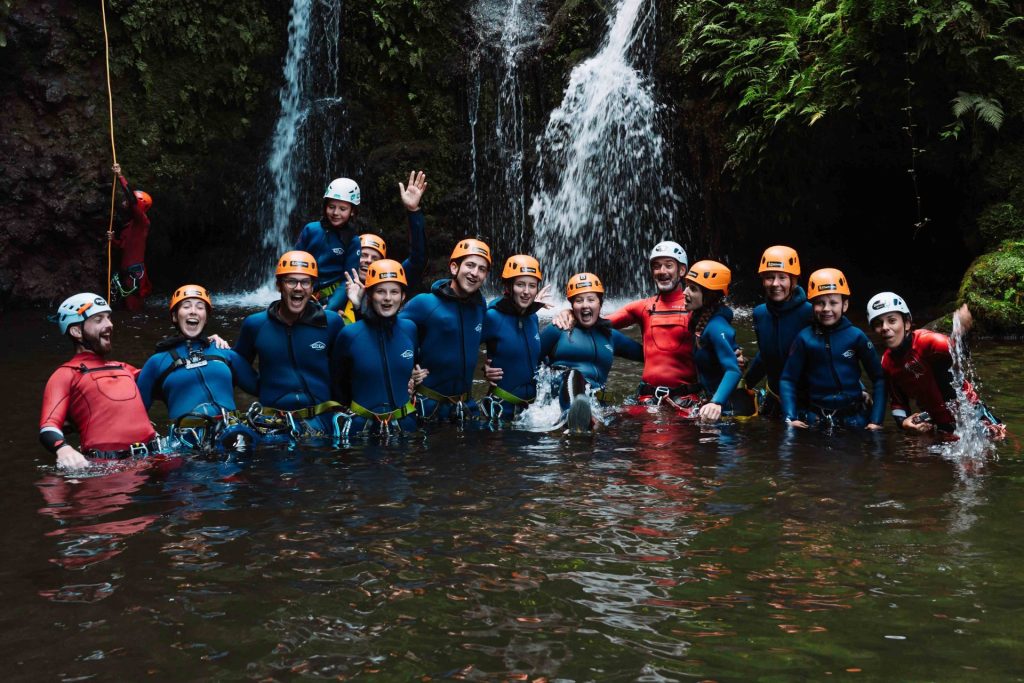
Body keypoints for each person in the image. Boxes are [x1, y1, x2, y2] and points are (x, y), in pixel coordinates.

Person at [552, 241, 701, 412]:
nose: (662, 271)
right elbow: (597, 322)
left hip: (685, 400)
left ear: (682, 270)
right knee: (611, 430)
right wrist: (571, 312)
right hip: (647, 399)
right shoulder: (642, 308)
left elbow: (718, 323)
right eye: (657, 266)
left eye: (668, 265)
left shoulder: (695, 308)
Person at [234, 251, 345, 440]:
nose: (298, 288)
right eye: (291, 281)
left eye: (305, 282)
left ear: (312, 288)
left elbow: (346, 370)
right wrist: (215, 347)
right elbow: (236, 366)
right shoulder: (256, 325)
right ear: (279, 285)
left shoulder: (331, 323)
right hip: (273, 425)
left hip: (323, 422)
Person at [39, 293, 159, 468]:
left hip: (155, 459)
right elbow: (48, 427)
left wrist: (205, 347)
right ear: (76, 331)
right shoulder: (65, 374)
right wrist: (63, 449)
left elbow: (167, 374)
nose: (110, 324)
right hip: (107, 469)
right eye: (98, 320)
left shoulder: (124, 368)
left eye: (109, 318)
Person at [136, 285, 260, 451]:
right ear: (174, 316)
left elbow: (261, 387)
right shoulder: (157, 362)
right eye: (186, 306)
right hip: (186, 443)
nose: (193, 311)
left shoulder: (223, 351)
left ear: (206, 317)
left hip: (232, 436)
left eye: (200, 307)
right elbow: (135, 415)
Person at [867, 292, 1005, 438]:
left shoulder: (928, 342)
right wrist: (903, 422)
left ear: (907, 323)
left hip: (972, 416)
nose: (885, 327)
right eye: (878, 324)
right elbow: (897, 402)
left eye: (892, 320)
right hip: (938, 425)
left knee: (1000, 443)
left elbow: (958, 352)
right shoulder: (887, 363)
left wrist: (961, 332)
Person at [780, 269, 885, 430]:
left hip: (854, 419)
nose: (826, 309)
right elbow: (788, 379)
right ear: (812, 305)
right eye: (820, 303)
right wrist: (790, 417)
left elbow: (879, 378)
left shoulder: (856, 337)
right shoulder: (804, 338)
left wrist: (876, 421)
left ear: (845, 305)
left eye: (833, 303)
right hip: (816, 419)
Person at [400, 238, 491, 422]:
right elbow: (390, 333)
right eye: (470, 265)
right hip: (429, 407)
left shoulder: (480, 305)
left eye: (482, 269)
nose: (475, 273)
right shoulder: (425, 303)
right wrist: (408, 368)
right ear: (454, 268)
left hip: (465, 407)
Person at [539, 273, 644, 430]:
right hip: (560, 395)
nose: (585, 305)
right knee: (574, 374)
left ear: (600, 303)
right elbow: (527, 356)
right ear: (572, 305)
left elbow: (647, 355)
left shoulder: (611, 336)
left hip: (596, 402)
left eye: (591, 299)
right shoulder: (558, 328)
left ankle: (586, 418)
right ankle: (571, 416)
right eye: (579, 300)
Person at [332, 259, 420, 437]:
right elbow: (337, 386)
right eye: (380, 291)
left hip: (406, 426)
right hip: (361, 430)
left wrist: (416, 380)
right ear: (370, 295)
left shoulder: (410, 329)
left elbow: (416, 365)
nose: (388, 298)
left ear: (403, 296)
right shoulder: (349, 335)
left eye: (394, 292)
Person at [743, 245, 814, 417]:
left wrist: (858, 387)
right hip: (775, 397)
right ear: (762, 280)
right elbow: (766, 354)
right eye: (769, 278)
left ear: (793, 280)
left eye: (782, 277)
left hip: (809, 401)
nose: (775, 284)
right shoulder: (760, 313)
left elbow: (840, 346)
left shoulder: (811, 312)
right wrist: (746, 384)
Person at [480, 255, 548, 422]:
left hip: (532, 412)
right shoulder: (492, 317)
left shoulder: (533, 318)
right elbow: (461, 346)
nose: (526, 292)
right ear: (509, 287)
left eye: (532, 286)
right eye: (520, 285)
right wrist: (484, 370)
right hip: (501, 408)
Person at [683, 260, 743, 422]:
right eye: (687, 285)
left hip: (725, 407)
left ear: (709, 296)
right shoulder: (699, 319)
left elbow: (733, 370)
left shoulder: (716, 327)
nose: (685, 292)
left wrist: (716, 402)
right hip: (711, 400)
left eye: (693, 289)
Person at [295, 177, 363, 312]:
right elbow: (294, 263)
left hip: (331, 298)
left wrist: (330, 309)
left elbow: (347, 280)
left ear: (352, 211)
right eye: (331, 207)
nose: (335, 213)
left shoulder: (352, 241)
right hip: (302, 291)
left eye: (342, 209)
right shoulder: (311, 229)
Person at [107, 163, 152, 312]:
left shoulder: (142, 222)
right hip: (127, 271)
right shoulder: (131, 225)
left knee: (133, 307)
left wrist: (120, 176)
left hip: (134, 273)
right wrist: (112, 239)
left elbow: (131, 200)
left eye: (128, 201)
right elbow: (122, 247)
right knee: (127, 306)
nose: (124, 202)